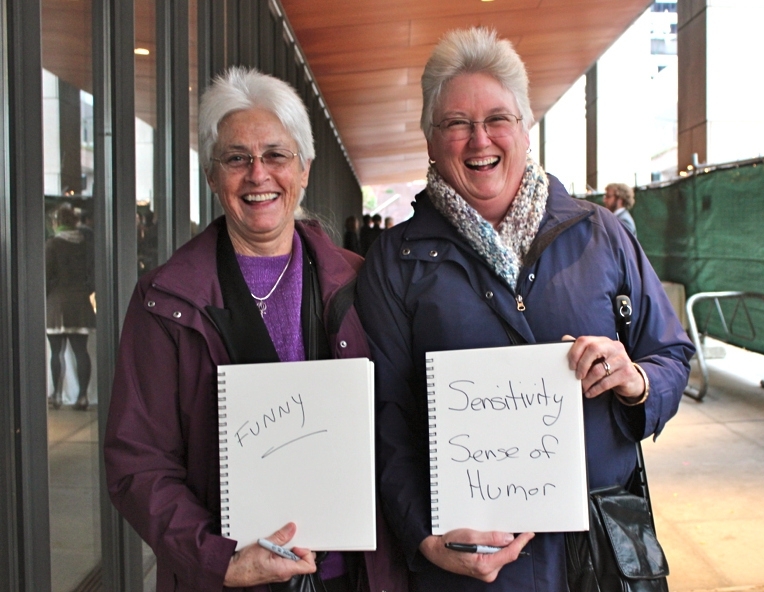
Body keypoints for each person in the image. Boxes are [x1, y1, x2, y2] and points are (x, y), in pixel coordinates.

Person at [355, 27, 694, 591]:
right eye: (457, 123)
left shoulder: (600, 235)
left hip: (598, 553)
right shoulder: (396, 261)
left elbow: (671, 356)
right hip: (473, 563)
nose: (478, 139)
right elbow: (386, 415)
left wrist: (635, 380)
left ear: (526, 128)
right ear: (431, 139)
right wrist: (423, 536)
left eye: (497, 119)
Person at [104, 67, 386, 592]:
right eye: (237, 158)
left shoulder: (360, 282)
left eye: (276, 155)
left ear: (303, 168)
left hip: (352, 574)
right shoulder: (166, 301)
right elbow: (137, 462)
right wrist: (221, 561)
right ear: (213, 176)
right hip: (230, 578)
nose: (259, 175)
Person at [45, 203, 95, 411]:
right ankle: (82, 396)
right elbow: (92, 274)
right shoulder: (85, 244)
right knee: (81, 351)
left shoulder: (52, 245)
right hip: (81, 303)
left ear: (56, 222)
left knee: (57, 352)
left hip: (57, 303)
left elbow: (46, 276)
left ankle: (56, 395)